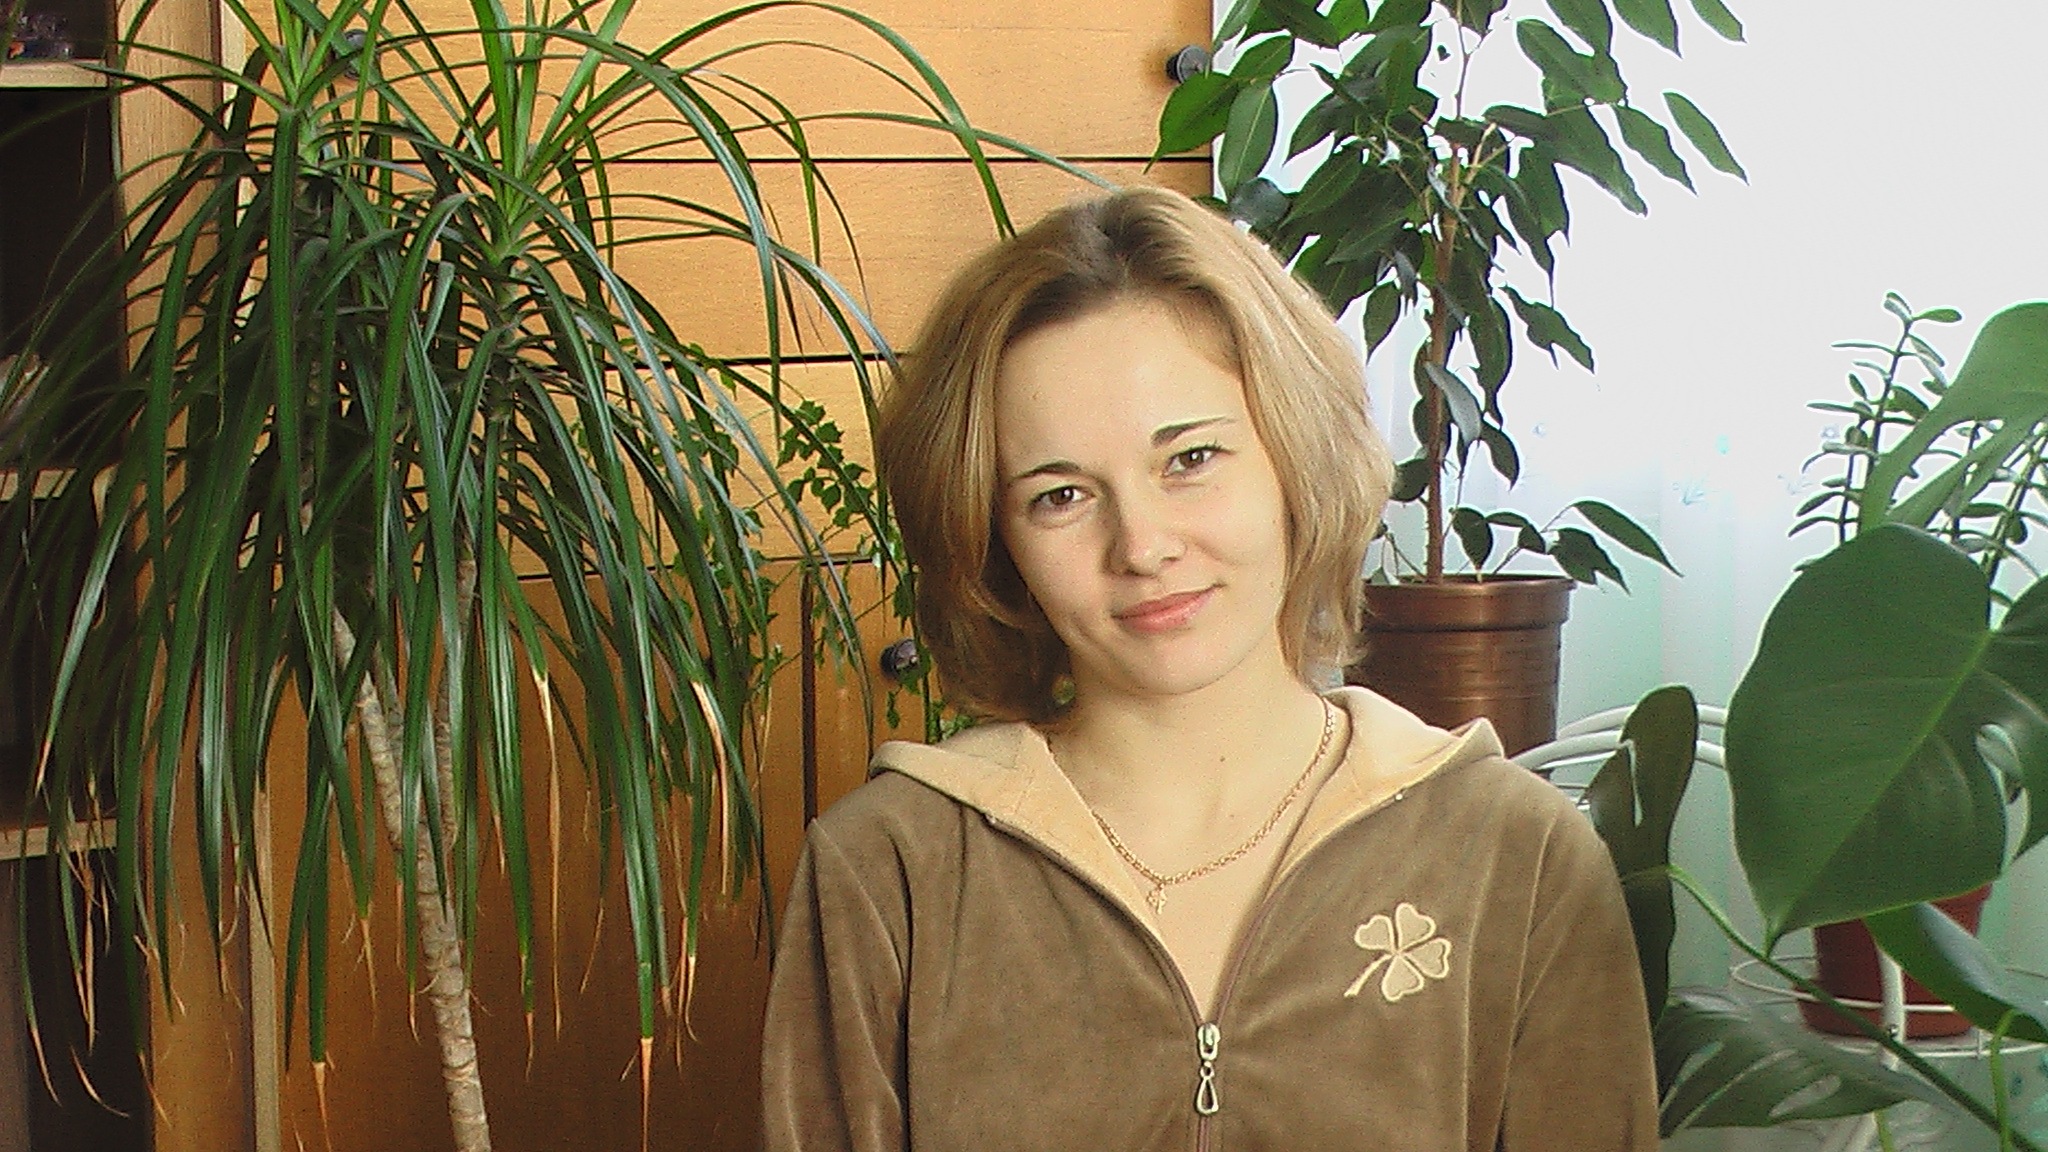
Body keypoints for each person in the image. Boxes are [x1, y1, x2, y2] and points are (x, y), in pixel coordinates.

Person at [762, 186, 1657, 1150]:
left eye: (1190, 459)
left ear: (1296, 457)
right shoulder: (890, 871)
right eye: (1060, 496)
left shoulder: (1516, 858)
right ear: (992, 537)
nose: (1142, 546)